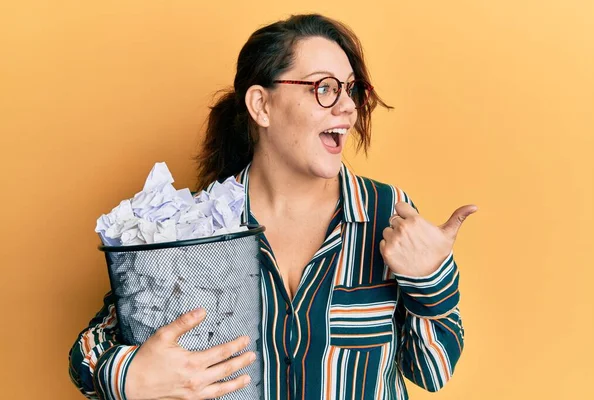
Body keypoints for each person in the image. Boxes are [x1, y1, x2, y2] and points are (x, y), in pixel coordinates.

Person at [69, 13, 477, 400]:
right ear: (262, 106)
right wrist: (130, 375)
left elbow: (431, 371)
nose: (348, 107)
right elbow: (87, 354)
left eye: (349, 88)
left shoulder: (389, 214)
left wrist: (431, 279)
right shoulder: (199, 226)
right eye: (324, 88)